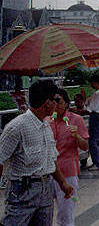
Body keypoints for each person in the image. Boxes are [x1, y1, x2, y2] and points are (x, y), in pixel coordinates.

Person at [0, 81, 74, 225]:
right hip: (22, 191)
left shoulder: (45, 126)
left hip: (45, 189)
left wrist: (63, 183)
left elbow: (51, 159)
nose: (57, 104)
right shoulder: (16, 127)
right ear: (48, 102)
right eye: (56, 100)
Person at [46, 88, 89, 226]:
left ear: (66, 103)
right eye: (52, 102)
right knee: (44, 212)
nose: (55, 105)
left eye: (58, 101)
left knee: (65, 213)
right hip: (47, 172)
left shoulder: (76, 120)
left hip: (67, 172)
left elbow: (85, 146)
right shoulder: (46, 121)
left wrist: (76, 136)